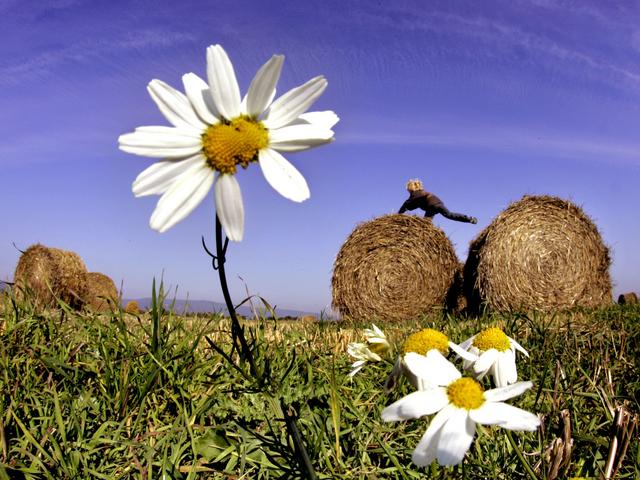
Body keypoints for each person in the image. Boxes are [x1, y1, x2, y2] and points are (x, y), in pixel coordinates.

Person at [398, 179, 477, 224]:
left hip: (432, 206)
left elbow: (407, 203)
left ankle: (469, 219)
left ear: (410, 188)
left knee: (425, 224)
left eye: (408, 190)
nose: (408, 191)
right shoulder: (421, 194)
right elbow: (413, 205)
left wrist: (399, 213)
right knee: (449, 215)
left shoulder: (416, 193)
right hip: (436, 205)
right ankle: (469, 219)